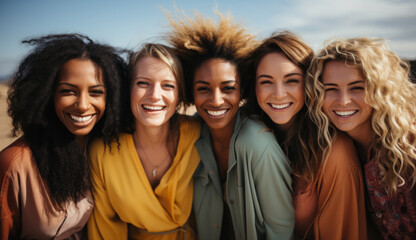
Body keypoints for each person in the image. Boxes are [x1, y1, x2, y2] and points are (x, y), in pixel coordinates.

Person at [167, 13, 294, 240]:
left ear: (242, 90)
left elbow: (282, 229)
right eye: (203, 88)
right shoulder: (191, 136)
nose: (216, 100)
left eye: (228, 88)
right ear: (190, 92)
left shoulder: (257, 143)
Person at [0, 34, 127, 239]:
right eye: (68, 91)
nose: (83, 105)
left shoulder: (106, 149)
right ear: (47, 94)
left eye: (95, 92)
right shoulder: (15, 164)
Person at [245, 31, 367, 239]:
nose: (279, 94)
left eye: (291, 80)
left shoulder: (333, 152)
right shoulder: (254, 133)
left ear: (310, 83)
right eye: (266, 82)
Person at [309, 37, 416, 239]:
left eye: (357, 87)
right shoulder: (335, 148)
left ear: (382, 91)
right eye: (330, 89)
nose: (343, 100)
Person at [87, 43, 201, 240]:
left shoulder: (197, 135)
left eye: (168, 85)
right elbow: (106, 230)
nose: (155, 95)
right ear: (127, 88)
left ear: (180, 94)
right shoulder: (103, 152)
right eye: (143, 83)